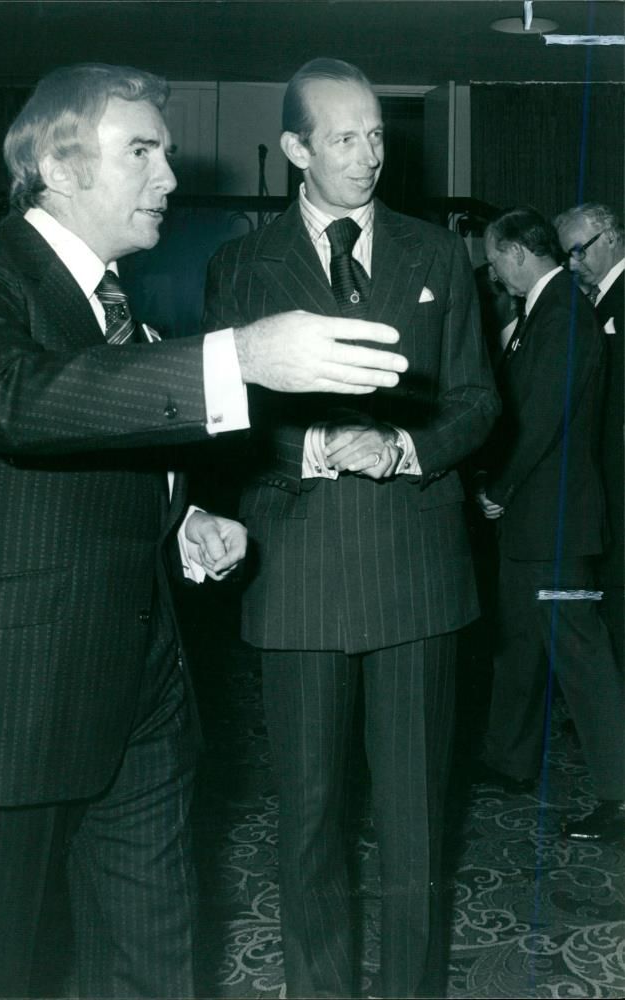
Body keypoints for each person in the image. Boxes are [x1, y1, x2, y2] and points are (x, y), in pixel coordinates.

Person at [0, 62, 409, 999]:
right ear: (58, 163)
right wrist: (245, 354)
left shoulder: (120, 307)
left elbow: (100, 451)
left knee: (154, 966)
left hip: (143, 695)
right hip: (9, 704)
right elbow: (20, 403)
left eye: (165, 153)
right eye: (142, 152)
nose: (169, 178)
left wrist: (180, 518)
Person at [202, 58, 499, 999]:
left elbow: (477, 402)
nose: (368, 156)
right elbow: (226, 421)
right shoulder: (241, 267)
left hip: (416, 579)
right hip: (296, 580)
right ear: (295, 148)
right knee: (311, 826)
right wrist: (315, 447)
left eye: (376, 135)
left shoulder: (437, 255)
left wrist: (405, 450)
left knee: (415, 829)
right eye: (343, 138)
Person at [474, 207, 624, 843]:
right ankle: (508, 759)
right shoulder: (550, 307)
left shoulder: (562, 312)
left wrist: (499, 489)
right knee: (518, 641)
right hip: (538, 525)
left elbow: (539, 420)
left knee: (581, 657)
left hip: (555, 523)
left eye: (492, 259)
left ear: (512, 253)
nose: (493, 273)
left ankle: (620, 796)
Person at [553, 203, 624, 672]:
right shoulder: (597, 298)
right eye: (568, 255)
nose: (574, 263)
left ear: (612, 237)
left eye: (580, 251)